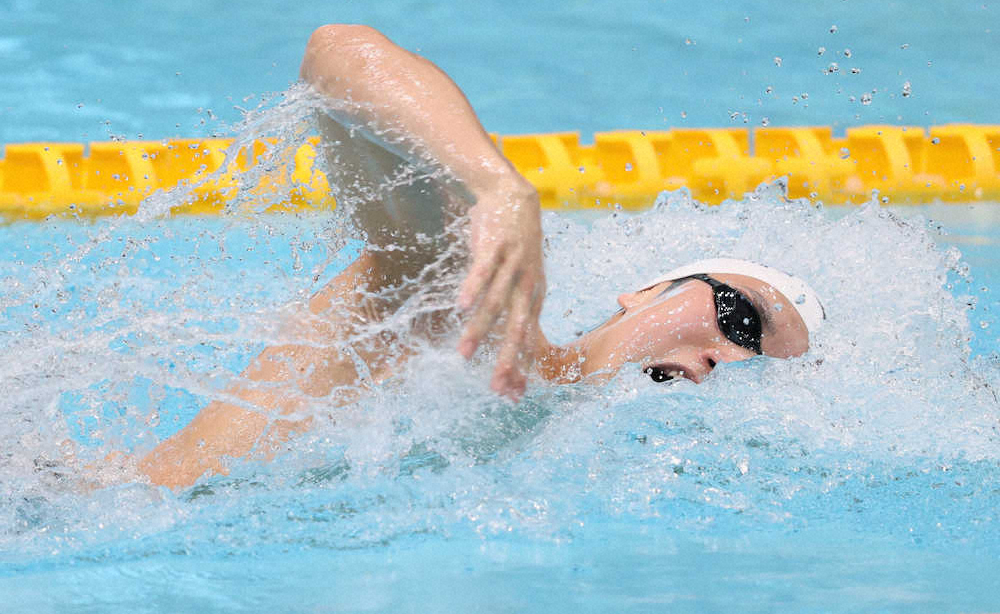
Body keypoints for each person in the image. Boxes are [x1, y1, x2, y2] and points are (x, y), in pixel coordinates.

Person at [136, 25, 823, 489]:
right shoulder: (457, 301)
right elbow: (336, 53)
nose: (730, 361)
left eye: (758, 367)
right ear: (642, 291)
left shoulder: (554, 483)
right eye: (738, 318)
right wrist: (496, 184)